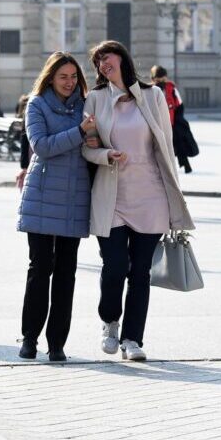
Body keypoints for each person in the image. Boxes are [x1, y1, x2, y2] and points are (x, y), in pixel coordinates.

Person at [82, 41, 194, 361]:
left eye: (107, 57)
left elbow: (165, 146)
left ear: (122, 58)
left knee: (141, 271)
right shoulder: (95, 99)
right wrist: (105, 155)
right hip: (112, 194)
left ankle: (132, 339)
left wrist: (175, 195)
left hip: (151, 194)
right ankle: (110, 323)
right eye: (97, 61)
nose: (102, 63)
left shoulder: (153, 95)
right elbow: (86, 146)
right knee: (115, 266)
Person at [16, 52, 93, 362]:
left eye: (74, 77)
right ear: (50, 78)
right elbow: (42, 146)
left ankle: (57, 342)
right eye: (63, 76)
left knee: (66, 273)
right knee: (40, 269)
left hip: (75, 197)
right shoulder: (37, 104)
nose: (69, 82)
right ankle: (29, 338)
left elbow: (95, 141)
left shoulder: (86, 106)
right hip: (42, 197)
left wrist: (94, 141)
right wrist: (80, 133)